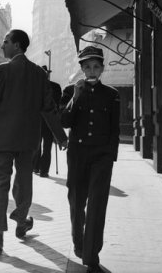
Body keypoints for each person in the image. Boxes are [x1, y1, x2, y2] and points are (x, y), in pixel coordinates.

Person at [0, 29, 68, 255]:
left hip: (2, 138)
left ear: (16, 45)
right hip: (27, 140)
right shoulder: (38, 74)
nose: (1, 46)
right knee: (24, 182)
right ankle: (21, 222)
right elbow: (49, 108)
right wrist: (61, 136)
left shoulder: (2, 70)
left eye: (5, 42)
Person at [60, 45, 120, 273]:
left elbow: (114, 130)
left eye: (96, 67)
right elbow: (64, 121)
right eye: (87, 67)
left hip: (102, 157)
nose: (92, 71)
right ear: (82, 69)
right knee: (77, 201)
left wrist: (111, 157)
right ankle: (78, 241)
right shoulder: (70, 91)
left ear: (102, 68)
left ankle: (92, 253)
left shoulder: (112, 95)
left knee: (97, 203)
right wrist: (75, 98)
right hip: (78, 155)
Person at [33, 65, 62, 177]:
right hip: (38, 120)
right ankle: (37, 167)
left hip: (49, 120)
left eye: (46, 73)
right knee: (37, 145)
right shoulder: (35, 87)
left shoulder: (55, 87)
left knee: (47, 146)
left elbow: (58, 104)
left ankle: (43, 169)